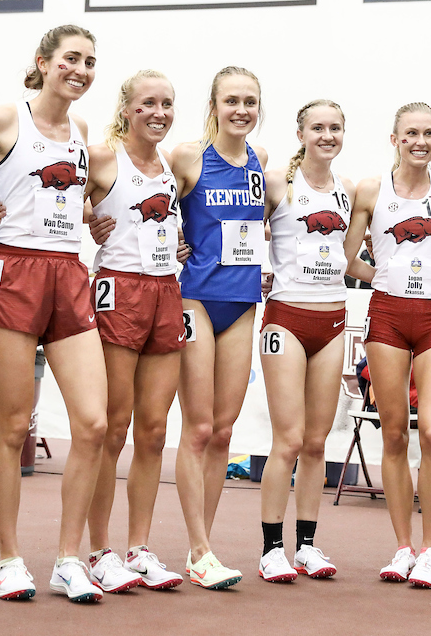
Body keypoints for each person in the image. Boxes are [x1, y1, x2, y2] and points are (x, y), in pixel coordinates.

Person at [0, 25, 109, 603]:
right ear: (43, 62)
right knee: (13, 425)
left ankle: (69, 559)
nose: (80, 70)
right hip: (14, 272)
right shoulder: (3, 119)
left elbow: (66, 202)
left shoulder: (79, 132)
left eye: (90, 62)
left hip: (69, 273)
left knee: (94, 423)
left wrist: (88, 221)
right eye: (71, 59)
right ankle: (9, 558)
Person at [342, 102, 431, 589]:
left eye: (430, 133)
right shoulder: (372, 189)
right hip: (388, 316)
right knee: (393, 433)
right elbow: (345, 257)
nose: (421, 141)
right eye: (411, 133)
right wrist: (382, 277)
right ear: (394, 139)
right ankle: (402, 547)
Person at [81, 71, 189, 593]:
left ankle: (139, 547)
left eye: (167, 104)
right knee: (113, 427)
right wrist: (87, 217)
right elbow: (45, 191)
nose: (159, 113)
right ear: (126, 108)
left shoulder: (174, 164)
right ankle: (100, 550)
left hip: (166, 290)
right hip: (118, 289)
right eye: (148, 103)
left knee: (153, 430)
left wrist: (178, 243)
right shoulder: (104, 156)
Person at [169, 66, 268, 589]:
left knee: (225, 432)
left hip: (243, 302)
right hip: (196, 299)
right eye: (231, 101)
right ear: (213, 105)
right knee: (199, 428)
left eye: (250, 102)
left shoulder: (261, 161)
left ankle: (198, 550)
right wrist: (170, 240)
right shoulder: (187, 156)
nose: (241, 110)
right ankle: (201, 547)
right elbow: (144, 193)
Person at [256, 100, 353, 583]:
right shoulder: (276, 182)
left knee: (316, 442)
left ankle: (308, 545)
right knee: (288, 440)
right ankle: (272, 548)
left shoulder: (350, 191)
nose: (327, 135)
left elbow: (360, 256)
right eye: (318, 127)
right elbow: (222, 222)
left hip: (334, 320)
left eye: (335, 128)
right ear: (301, 132)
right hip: (286, 321)